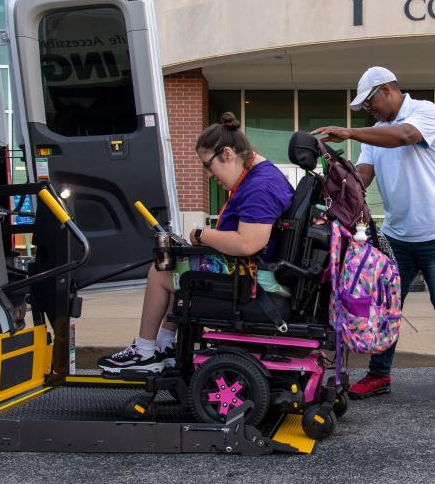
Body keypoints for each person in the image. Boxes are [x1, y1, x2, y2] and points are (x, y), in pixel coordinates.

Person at [312, 66, 435, 406]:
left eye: (369, 103)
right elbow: (364, 177)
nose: (369, 110)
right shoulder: (375, 133)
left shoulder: (425, 112)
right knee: (384, 308)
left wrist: (350, 133)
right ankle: (379, 374)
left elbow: (404, 136)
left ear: (386, 90)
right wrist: (336, 187)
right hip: (397, 237)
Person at [98, 112, 294, 373]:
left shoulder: (260, 186)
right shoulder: (261, 177)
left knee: (160, 271)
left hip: (255, 277)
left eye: (208, 165)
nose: (209, 174)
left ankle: (144, 351)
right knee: (179, 266)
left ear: (227, 154)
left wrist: (201, 235)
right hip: (256, 271)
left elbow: (248, 243)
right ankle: (165, 345)